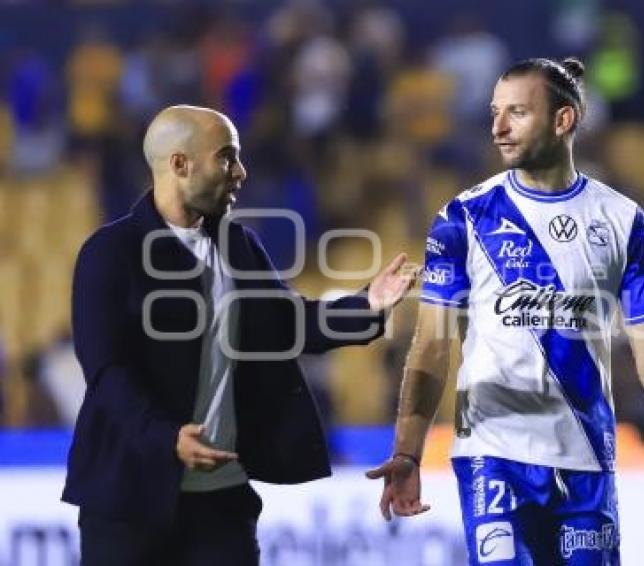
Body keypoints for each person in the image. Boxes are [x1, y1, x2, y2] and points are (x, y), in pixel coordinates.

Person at [367, 58, 644, 564]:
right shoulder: (463, 217)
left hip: (587, 459)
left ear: (563, 120)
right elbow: (430, 346)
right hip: (493, 455)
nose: (498, 127)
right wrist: (407, 452)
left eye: (516, 112)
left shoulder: (622, 221)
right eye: (494, 112)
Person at [63, 105, 416, 565]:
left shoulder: (239, 246)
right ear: (179, 164)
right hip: (129, 502)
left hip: (221, 506)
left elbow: (289, 325)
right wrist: (166, 438)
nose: (241, 173)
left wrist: (366, 305)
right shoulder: (110, 253)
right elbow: (107, 372)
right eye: (227, 158)